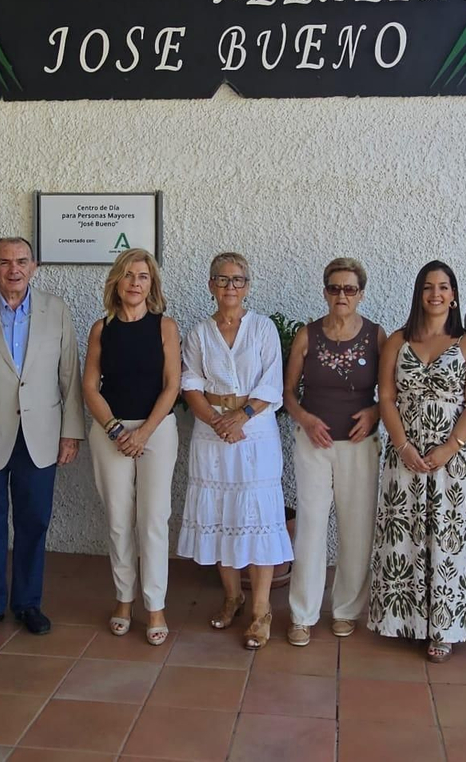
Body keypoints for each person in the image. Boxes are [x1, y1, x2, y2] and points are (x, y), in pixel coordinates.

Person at [0, 237, 85, 640]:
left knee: (34, 522)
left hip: (39, 437)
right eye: (5, 262)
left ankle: (28, 603)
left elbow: (70, 376)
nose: (14, 269)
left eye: (22, 261)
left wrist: (71, 432)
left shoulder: (56, 310)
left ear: (34, 266)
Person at [369, 260, 466, 663]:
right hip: (404, 457)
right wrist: (403, 446)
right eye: (428, 287)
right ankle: (406, 620)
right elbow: (386, 397)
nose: (436, 294)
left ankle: (445, 629)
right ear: (419, 294)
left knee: (449, 538)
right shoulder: (397, 341)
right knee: (406, 536)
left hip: (454, 462)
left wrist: (449, 447)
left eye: (443, 287)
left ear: (453, 295)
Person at [179, 252, 291, 651]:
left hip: (254, 431)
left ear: (248, 285)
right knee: (220, 513)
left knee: (257, 516)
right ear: (211, 285)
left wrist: (240, 417)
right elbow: (190, 382)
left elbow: (272, 383)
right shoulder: (199, 333)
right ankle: (232, 597)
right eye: (223, 279)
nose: (230, 287)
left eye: (238, 280)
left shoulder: (262, 328)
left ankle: (261, 610)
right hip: (212, 433)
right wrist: (216, 420)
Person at [81, 249, 182, 646]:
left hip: (157, 431)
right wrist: (115, 428)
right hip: (111, 432)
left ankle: (155, 606)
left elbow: (172, 385)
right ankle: (124, 599)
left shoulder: (165, 327)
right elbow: (90, 387)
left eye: (142, 276)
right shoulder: (101, 328)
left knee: (153, 519)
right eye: (128, 275)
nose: (135, 283)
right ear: (116, 282)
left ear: (151, 284)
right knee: (119, 520)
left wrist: (143, 433)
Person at [282, 258, 385, 647]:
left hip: (359, 446)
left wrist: (375, 413)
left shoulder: (376, 335)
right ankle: (302, 614)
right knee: (310, 526)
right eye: (335, 288)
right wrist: (305, 419)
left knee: (357, 528)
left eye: (350, 289)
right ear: (325, 291)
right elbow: (287, 393)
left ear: (361, 294)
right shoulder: (307, 335)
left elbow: (390, 392)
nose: (342, 295)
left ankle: (346, 610)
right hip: (314, 444)